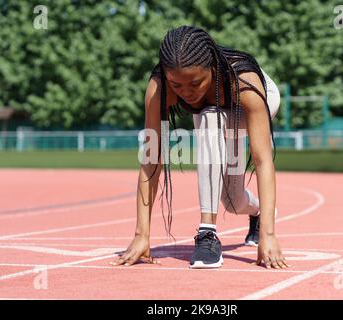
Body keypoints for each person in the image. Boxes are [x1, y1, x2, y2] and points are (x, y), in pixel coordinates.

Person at [110, 25, 290, 269]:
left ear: (212, 69)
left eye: (195, 83)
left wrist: (269, 236)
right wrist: (142, 235)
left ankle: (207, 234)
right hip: (217, 110)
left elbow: (262, 160)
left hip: (260, 98)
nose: (186, 94)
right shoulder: (159, 88)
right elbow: (151, 159)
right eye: (177, 85)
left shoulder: (244, 82)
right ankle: (256, 213)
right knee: (233, 201)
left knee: (208, 116)